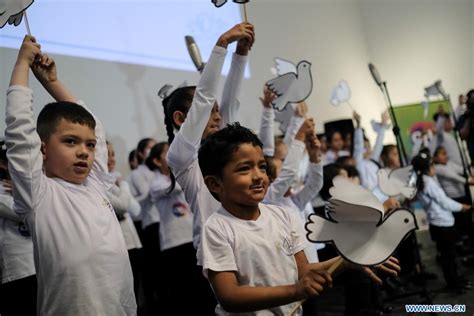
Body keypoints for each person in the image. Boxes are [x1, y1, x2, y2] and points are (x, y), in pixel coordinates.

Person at [198, 123, 399, 315]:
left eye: (261, 167)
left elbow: (303, 271)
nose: (258, 176)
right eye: (244, 168)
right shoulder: (217, 228)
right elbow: (229, 296)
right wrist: (296, 291)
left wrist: (347, 260)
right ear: (214, 184)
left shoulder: (283, 215)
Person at [5, 35, 135, 314]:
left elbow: (95, 126)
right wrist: (22, 64)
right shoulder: (38, 193)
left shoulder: (96, 185)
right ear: (42, 149)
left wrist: (50, 81)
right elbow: (19, 128)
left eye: (89, 145)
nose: (84, 152)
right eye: (70, 142)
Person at [164, 22, 255, 314]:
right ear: (181, 119)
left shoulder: (221, 149)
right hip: (216, 251)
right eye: (207, 112)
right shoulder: (182, 159)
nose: (216, 116)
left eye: (216, 112)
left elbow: (229, 103)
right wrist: (221, 45)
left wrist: (241, 55)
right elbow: (204, 100)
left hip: (248, 239)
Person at [412, 152, 471, 293]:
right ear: (427, 168)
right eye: (432, 165)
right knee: (448, 257)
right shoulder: (428, 183)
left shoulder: (425, 181)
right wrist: (461, 207)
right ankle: (454, 284)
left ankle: (456, 280)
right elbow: (444, 202)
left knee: (449, 256)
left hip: (441, 224)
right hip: (442, 225)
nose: (435, 168)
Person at [147, 142, 195, 315]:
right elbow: (174, 188)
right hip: (174, 242)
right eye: (168, 153)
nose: (173, 155)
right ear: (157, 161)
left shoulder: (181, 176)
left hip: (192, 237)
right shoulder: (156, 185)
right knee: (180, 293)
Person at [0, 140, 37, 316]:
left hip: (39, 267)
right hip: (17, 273)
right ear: (2, 163)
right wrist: (22, 192)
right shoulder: (1, 191)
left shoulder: (24, 190)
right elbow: (27, 212)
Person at [106, 141, 143, 306]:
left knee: (136, 291)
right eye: (106, 154)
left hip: (133, 241)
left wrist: (120, 186)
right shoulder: (102, 184)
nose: (111, 159)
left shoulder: (115, 179)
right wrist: (122, 185)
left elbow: (135, 210)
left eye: (113, 154)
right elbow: (123, 205)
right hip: (119, 246)